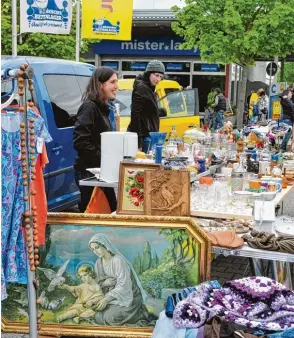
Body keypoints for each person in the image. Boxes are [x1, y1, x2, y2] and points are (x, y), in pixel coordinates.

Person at [73, 67, 118, 212]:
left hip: (101, 173)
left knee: (110, 211)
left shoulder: (103, 108)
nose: (116, 86)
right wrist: (101, 158)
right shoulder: (89, 108)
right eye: (113, 82)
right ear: (100, 85)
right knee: (96, 215)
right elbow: (80, 140)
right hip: (90, 173)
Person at [88, 233, 156, 326]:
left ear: (105, 245)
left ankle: (139, 314)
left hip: (129, 298)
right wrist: (104, 284)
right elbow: (96, 284)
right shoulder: (98, 263)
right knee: (98, 315)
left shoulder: (117, 260)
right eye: (92, 249)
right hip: (110, 298)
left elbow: (124, 285)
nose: (95, 251)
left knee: (109, 317)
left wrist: (107, 299)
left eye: (97, 247)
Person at [127, 60, 165, 152]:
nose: (158, 79)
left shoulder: (149, 88)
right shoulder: (141, 88)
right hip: (144, 137)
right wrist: (139, 143)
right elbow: (135, 115)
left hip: (148, 136)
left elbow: (146, 111)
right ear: (149, 74)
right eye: (156, 75)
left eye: (160, 77)